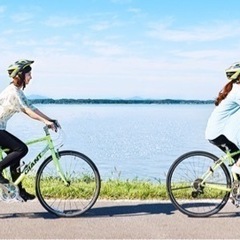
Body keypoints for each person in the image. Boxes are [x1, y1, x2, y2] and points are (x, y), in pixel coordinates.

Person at [0, 59, 58, 201]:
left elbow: (31, 107)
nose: (31, 77)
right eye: (28, 74)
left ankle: (19, 191)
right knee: (21, 149)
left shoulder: (17, 91)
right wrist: (45, 122)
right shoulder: (13, 92)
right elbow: (27, 111)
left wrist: (49, 119)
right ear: (20, 75)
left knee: (16, 155)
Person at [205, 62, 240, 174]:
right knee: (238, 163)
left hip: (216, 133)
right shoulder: (237, 91)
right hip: (219, 134)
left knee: (238, 157)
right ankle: (236, 168)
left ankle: (235, 190)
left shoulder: (233, 89)